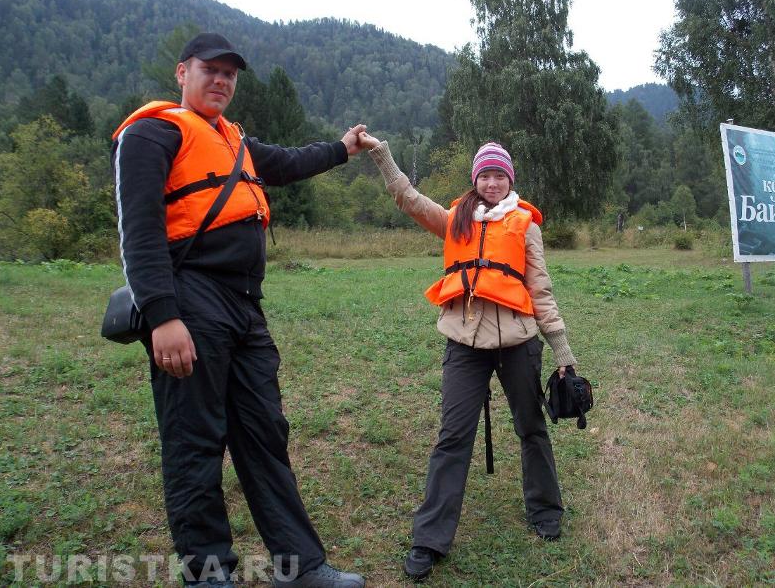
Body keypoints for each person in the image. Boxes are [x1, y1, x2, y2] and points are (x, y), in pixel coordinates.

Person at [112, 33, 365, 588]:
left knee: (264, 432)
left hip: (245, 305)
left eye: (230, 74)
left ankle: (299, 567)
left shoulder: (234, 141)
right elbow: (140, 230)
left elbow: (289, 162)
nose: (222, 80)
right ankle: (208, 575)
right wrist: (163, 316)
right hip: (190, 297)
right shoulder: (152, 133)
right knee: (194, 439)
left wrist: (341, 148)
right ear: (183, 73)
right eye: (211, 69)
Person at [358, 135, 578, 581]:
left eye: (499, 175)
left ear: (509, 179)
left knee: (531, 427)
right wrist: (382, 156)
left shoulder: (525, 226)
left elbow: (540, 290)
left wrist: (562, 350)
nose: (492, 183)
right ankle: (429, 539)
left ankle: (545, 510)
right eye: (485, 175)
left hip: (518, 342)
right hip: (463, 344)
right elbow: (409, 198)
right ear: (475, 180)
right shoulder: (454, 219)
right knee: (452, 437)